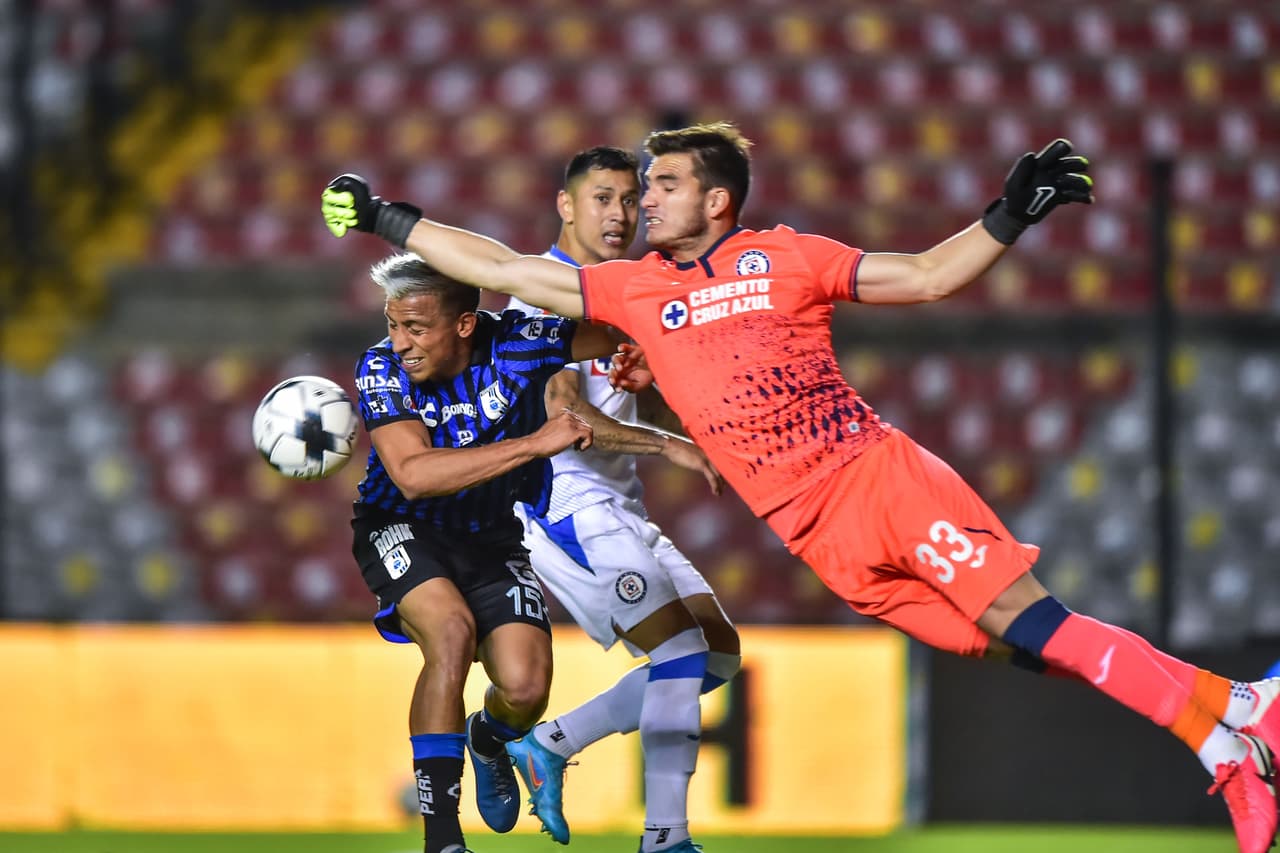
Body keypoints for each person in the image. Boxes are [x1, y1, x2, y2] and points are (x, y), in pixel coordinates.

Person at [323, 124, 1280, 853]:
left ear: (719, 200)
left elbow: (925, 276)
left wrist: (1010, 212)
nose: (641, 202)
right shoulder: (637, 291)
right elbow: (495, 265)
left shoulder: (785, 256)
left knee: (1031, 621)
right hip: (814, 531)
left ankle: (1244, 708)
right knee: (1006, 647)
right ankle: (1225, 743)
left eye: (662, 185)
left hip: (876, 475)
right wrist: (385, 218)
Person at [502, 145, 742, 852]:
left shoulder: (625, 291)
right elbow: (570, 419)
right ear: (567, 206)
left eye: (630, 200)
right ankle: (665, 838)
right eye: (602, 199)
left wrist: (708, 433)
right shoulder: (544, 293)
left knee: (717, 654)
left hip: (618, 503)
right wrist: (673, 448)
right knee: (675, 653)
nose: (620, 214)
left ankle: (552, 741)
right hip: (566, 505)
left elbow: (639, 403)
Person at [347, 253, 624, 853]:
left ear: (465, 324)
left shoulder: (521, 344)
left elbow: (621, 326)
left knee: (525, 690)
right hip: (400, 524)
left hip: (492, 535)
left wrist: (635, 353)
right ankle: (442, 839)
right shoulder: (379, 367)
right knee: (450, 632)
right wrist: (535, 443)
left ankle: (490, 738)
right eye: (394, 325)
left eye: (416, 328)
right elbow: (414, 474)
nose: (400, 343)